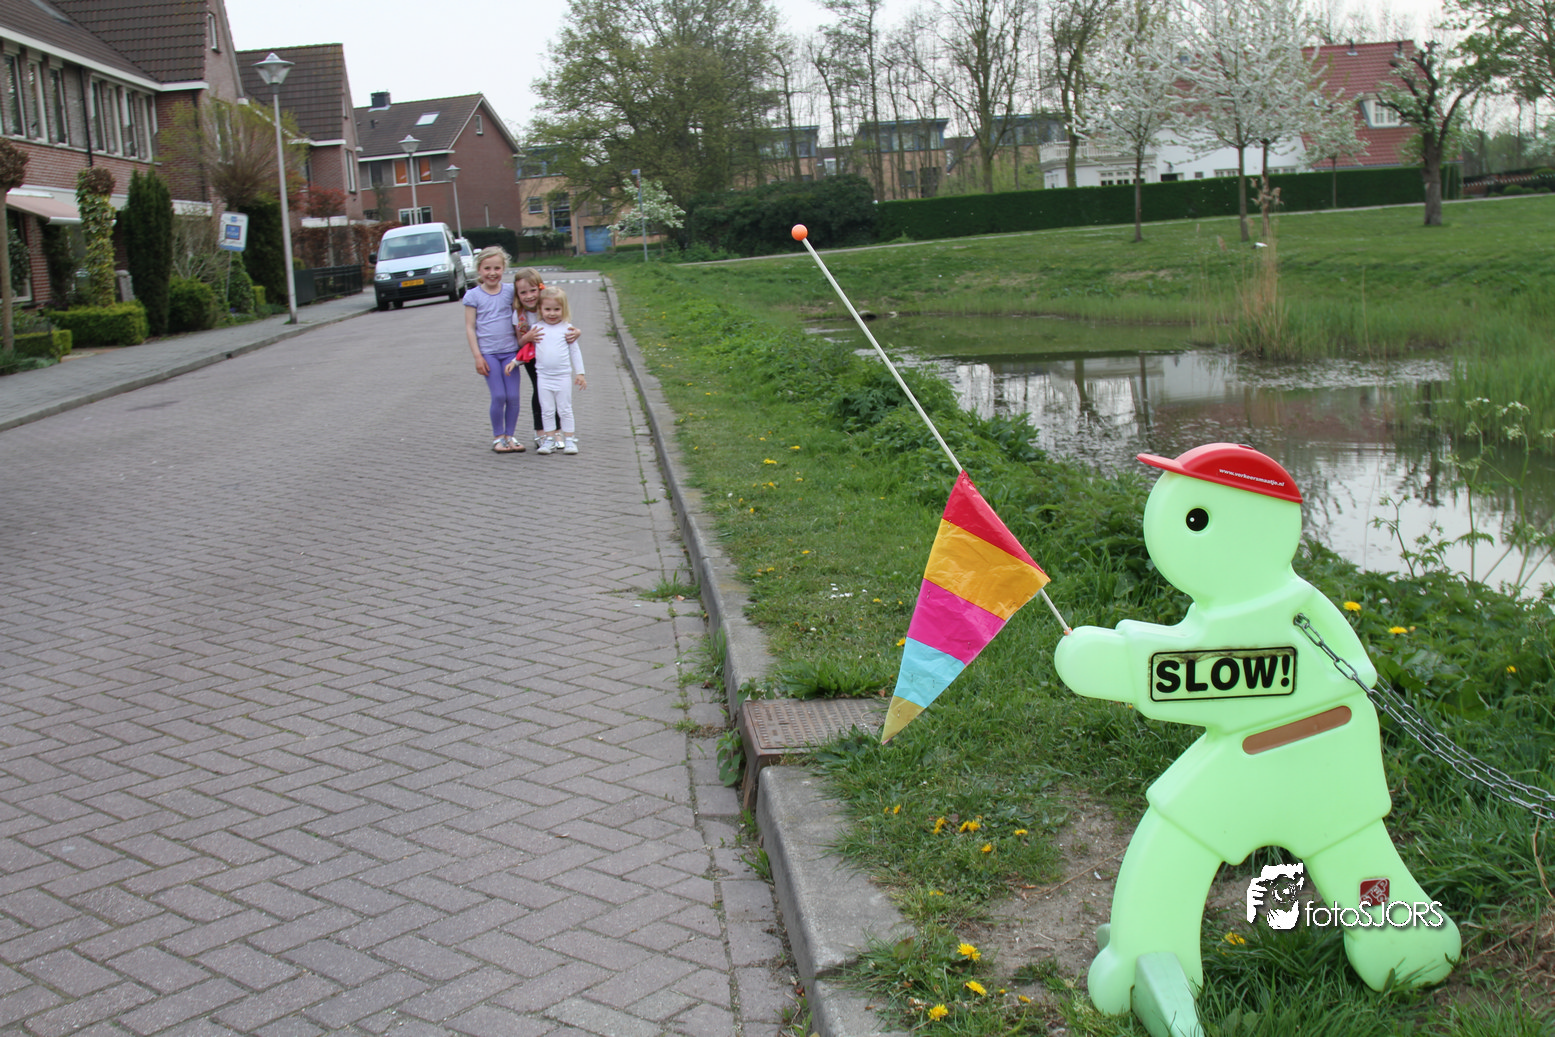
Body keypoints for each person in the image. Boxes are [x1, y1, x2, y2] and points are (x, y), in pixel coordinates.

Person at [507, 286, 585, 454]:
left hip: (562, 376)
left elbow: (575, 351)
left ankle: (569, 440)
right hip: (543, 377)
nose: (552, 313)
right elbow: (528, 350)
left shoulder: (567, 329)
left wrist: (580, 373)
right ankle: (549, 440)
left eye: (557, 309)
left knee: (565, 409)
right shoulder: (537, 328)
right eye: (547, 309)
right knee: (547, 410)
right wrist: (515, 362)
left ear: (563, 309)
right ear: (540, 309)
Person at [463, 246, 524, 453]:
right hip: (489, 354)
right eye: (487, 268)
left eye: (497, 268)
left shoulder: (510, 291)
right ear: (479, 270)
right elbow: (470, 327)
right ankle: (498, 437)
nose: (492, 273)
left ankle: (510, 436)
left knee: (513, 397)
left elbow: (524, 312)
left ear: (503, 268)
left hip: (510, 353)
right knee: (499, 396)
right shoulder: (473, 296)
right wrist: (477, 356)